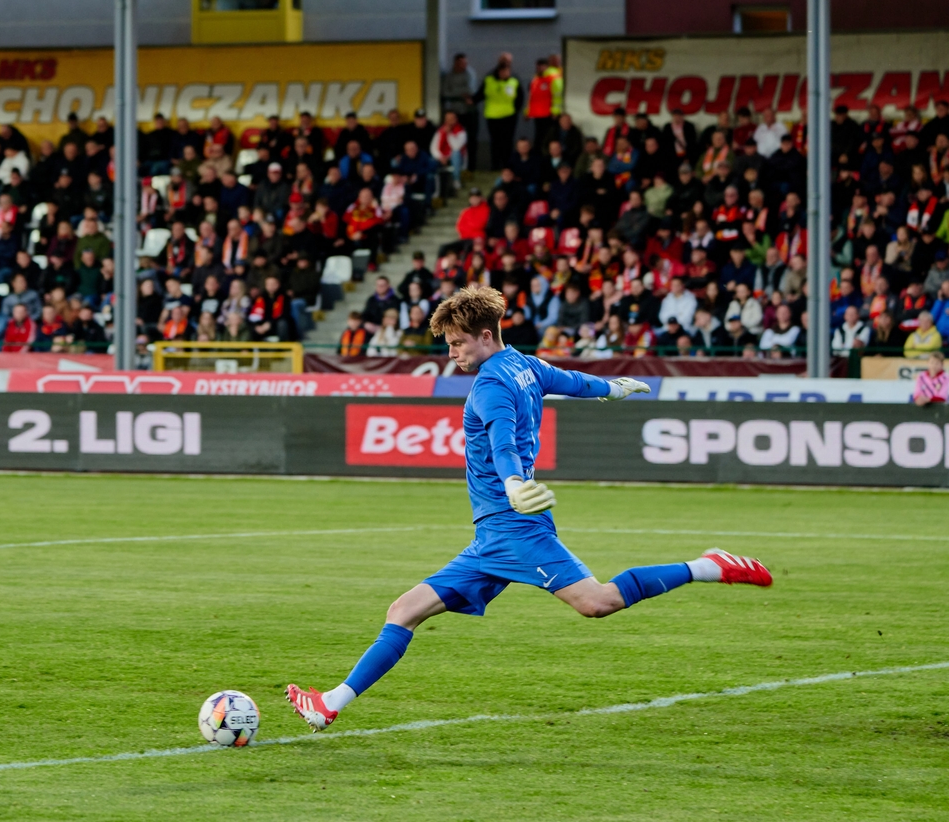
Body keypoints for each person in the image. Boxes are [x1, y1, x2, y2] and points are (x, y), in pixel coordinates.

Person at [286, 286, 771, 731]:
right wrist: (612, 387)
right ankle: (329, 703)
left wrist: (514, 482)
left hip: (513, 526)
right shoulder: (524, 364)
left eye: (457, 343)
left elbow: (502, 441)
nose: (451, 353)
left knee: (598, 602)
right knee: (405, 609)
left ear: (484, 335)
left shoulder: (490, 386)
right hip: (492, 534)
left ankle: (707, 566)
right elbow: (572, 381)